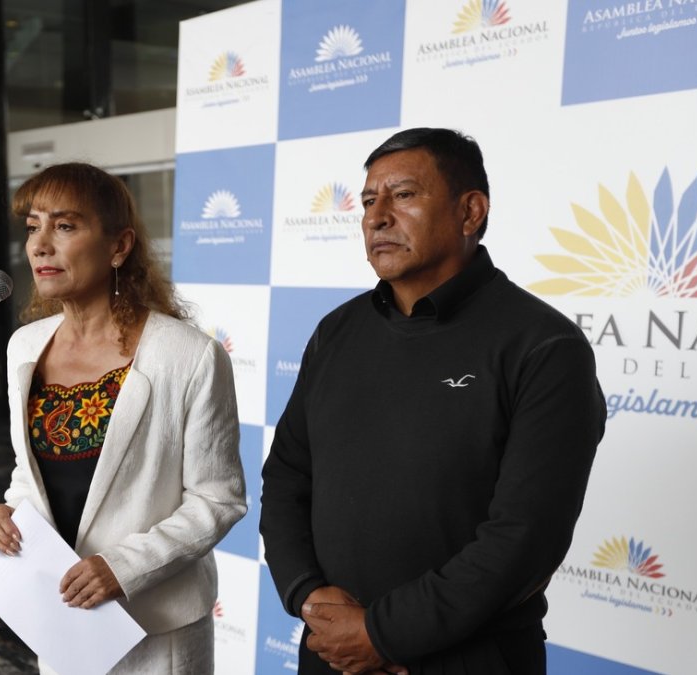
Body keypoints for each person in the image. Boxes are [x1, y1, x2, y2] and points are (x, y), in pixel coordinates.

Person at [260, 128, 606, 675]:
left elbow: (523, 538)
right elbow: (286, 478)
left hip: (468, 659)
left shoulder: (543, 345)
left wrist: (383, 633)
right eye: (369, 201)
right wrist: (310, 598)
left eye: (402, 195)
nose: (377, 217)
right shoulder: (336, 331)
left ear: (470, 212)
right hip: (333, 652)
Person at [0, 162, 247, 674]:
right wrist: (8, 517)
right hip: (59, 618)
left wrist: (121, 568)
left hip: (157, 625)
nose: (39, 244)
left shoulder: (187, 355)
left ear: (119, 246)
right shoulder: (24, 347)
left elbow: (219, 499)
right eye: (33, 226)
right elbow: (29, 473)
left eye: (65, 225)